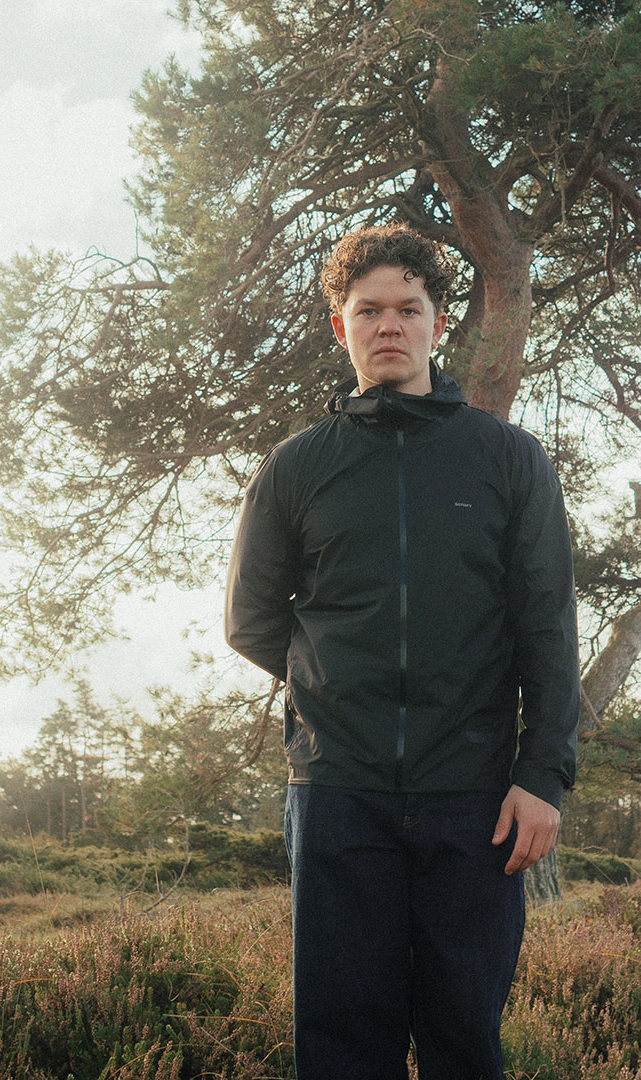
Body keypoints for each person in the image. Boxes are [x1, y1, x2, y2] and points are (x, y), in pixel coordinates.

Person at [224, 222, 580, 1079]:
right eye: (369, 310)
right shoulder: (295, 468)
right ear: (339, 326)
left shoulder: (507, 459)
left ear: (437, 323)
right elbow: (250, 620)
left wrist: (542, 776)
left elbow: (547, 628)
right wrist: (341, 689)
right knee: (344, 1045)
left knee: (465, 1038)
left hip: (476, 796)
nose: (389, 325)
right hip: (339, 794)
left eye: (408, 309)